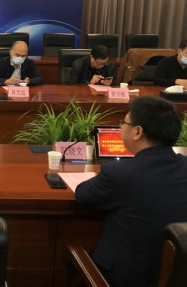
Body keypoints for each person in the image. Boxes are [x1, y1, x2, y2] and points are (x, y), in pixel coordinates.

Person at [75, 96, 187, 287]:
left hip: (122, 279)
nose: (121, 127)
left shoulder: (119, 173)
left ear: (137, 132)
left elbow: (83, 195)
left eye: (124, 123)